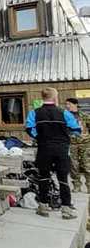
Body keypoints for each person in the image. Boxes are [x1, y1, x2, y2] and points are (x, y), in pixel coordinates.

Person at [26, 87, 80, 220]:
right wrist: (67, 133)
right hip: (62, 149)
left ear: (42, 98)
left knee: (44, 177)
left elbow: (29, 129)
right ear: (55, 98)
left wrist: (39, 137)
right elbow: (77, 130)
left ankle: (43, 207)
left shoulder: (34, 113)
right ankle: (66, 210)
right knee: (63, 179)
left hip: (44, 149)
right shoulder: (65, 113)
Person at [65, 97, 90, 193]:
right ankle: (76, 185)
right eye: (67, 104)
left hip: (85, 143)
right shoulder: (66, 117)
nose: (68, 106)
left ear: (75, 104)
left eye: (70, 104)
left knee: (87, 164)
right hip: (72, 143)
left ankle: (89, 185)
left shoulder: (85, 116)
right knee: (74, 165)